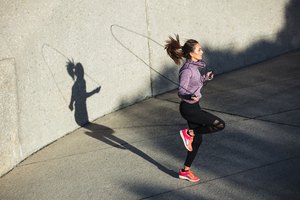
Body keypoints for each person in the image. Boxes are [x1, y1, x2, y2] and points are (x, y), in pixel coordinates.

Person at [165, 35, 225, 182]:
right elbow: (181, 91)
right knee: (219, 124)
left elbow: (194, 85)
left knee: (197, 142)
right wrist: (188, 96)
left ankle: (185, 171)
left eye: (201, 49)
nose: (202, 51)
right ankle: (188, 132)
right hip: (189, 109)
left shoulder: (195, 67)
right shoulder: (187, 70)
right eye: (199, 49)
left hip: (193, 106)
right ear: (191, 53)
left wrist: (205, 78)